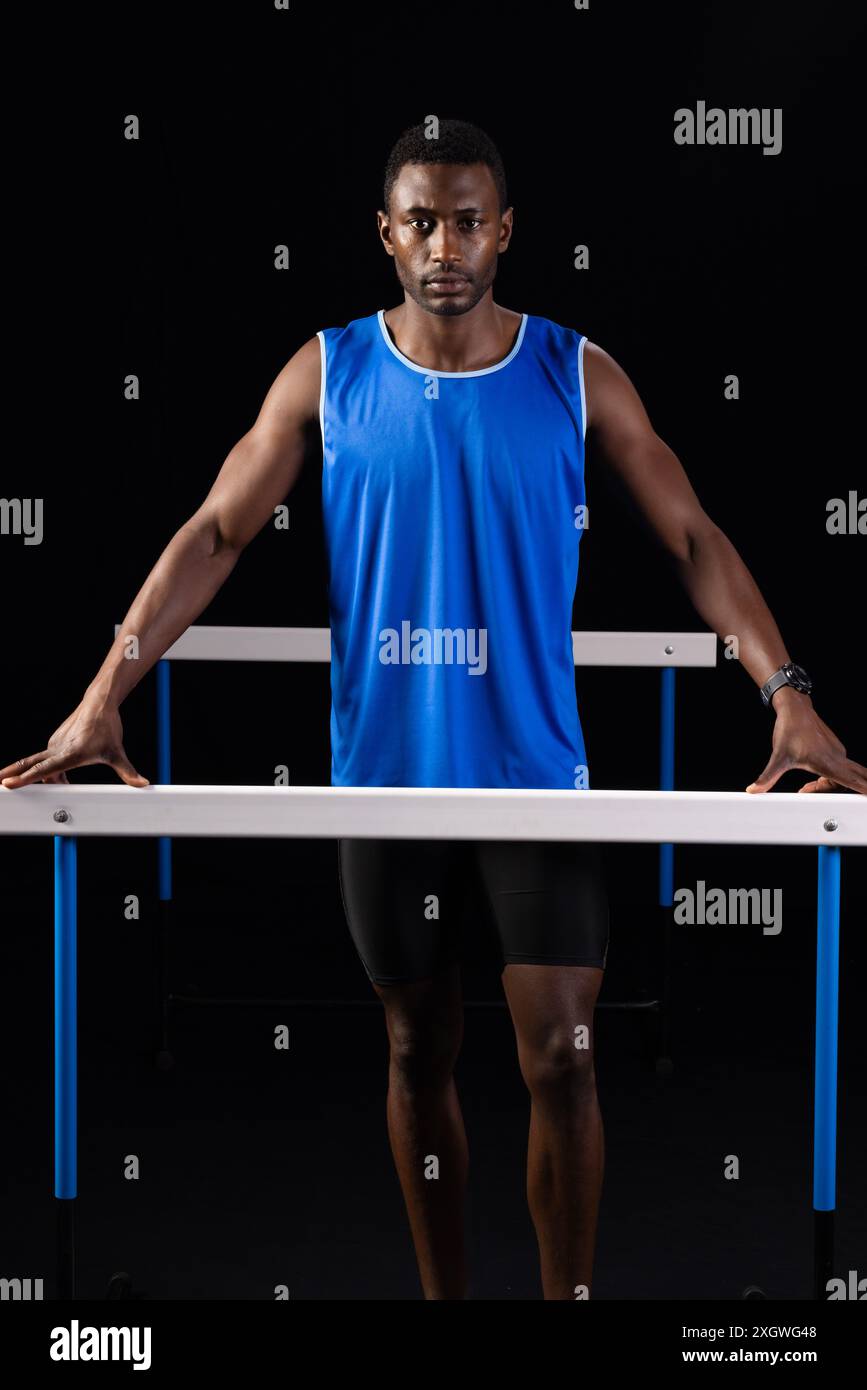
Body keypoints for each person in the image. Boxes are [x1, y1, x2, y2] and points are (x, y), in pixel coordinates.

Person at [2, 119, 864, 1301]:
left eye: (468, 220)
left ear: (504, 231)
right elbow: (214, 531)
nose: (444, 244)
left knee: (563, 1054)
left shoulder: (574, 370)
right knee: (417, 1048)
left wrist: (788, 692)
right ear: (385, 234)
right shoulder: (331, 369)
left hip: (535, 785)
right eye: (421, 220)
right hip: (385, 780)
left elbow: (692, 533)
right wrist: (105, 694)